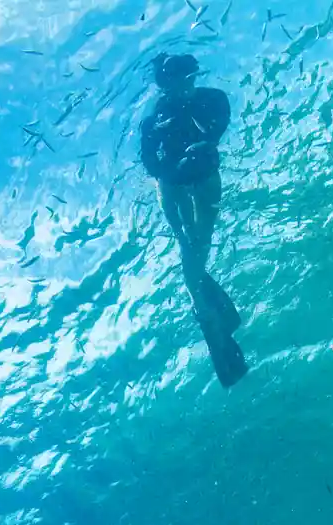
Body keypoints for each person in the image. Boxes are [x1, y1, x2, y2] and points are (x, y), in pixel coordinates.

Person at [140, 53, 247, 386]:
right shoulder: (154, 118)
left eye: (191, 79)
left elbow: (220, 121)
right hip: (172, 186)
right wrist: (176, 168)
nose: (188, 86)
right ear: (167, 83)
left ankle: (201, 304)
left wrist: (204, 144)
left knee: (200, 242)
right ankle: (202, 303)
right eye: (180, 81)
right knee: (186, 242)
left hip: (204, 177)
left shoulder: (211, 98)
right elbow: (150, 164)